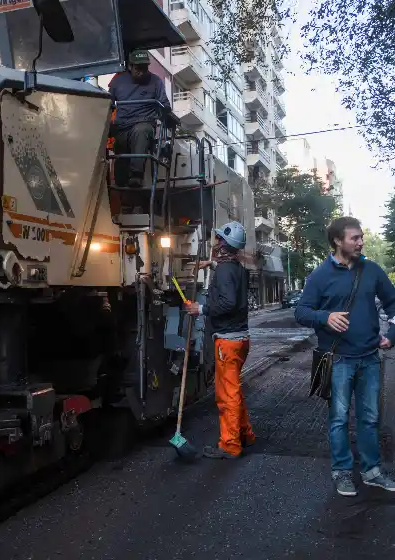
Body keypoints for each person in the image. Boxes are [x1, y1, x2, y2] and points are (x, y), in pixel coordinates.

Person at [295, 216, 395, 497]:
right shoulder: (320, 275)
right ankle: (342, 472)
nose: (361, 242)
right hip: (338, 360)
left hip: (370, 358)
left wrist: (394, 334)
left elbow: (394, 304)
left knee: (370, 418)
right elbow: (302, 311)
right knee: (339, 418)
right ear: (337, 241)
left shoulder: (372, 270)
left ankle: (372, 471)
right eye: (354, 238)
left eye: (361, 237)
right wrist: (325, 317)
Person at [186, 221, 254, 459]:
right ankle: (245, 434)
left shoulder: (225, 271)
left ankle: (230, 445)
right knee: (234, 390)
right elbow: (229, 278)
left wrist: (200, 309)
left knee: (227, 395)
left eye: (218, 240)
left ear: (224, 243)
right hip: (240, 339)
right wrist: (212, 264)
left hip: (228, 341)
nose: (215, 243)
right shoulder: (237, 268)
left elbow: (228, 302)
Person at [108, 49, 170, 189]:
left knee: (141, 130)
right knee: (120, 178)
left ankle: (136, 175)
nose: (141, 72)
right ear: (130, 66)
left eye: (144, 68)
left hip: (144, 123)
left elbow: (165, 104)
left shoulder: (156, 82)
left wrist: (164, 111)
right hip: (122, 127)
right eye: (138, 68)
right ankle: (120, 182)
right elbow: (107, 104)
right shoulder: (117, 82)